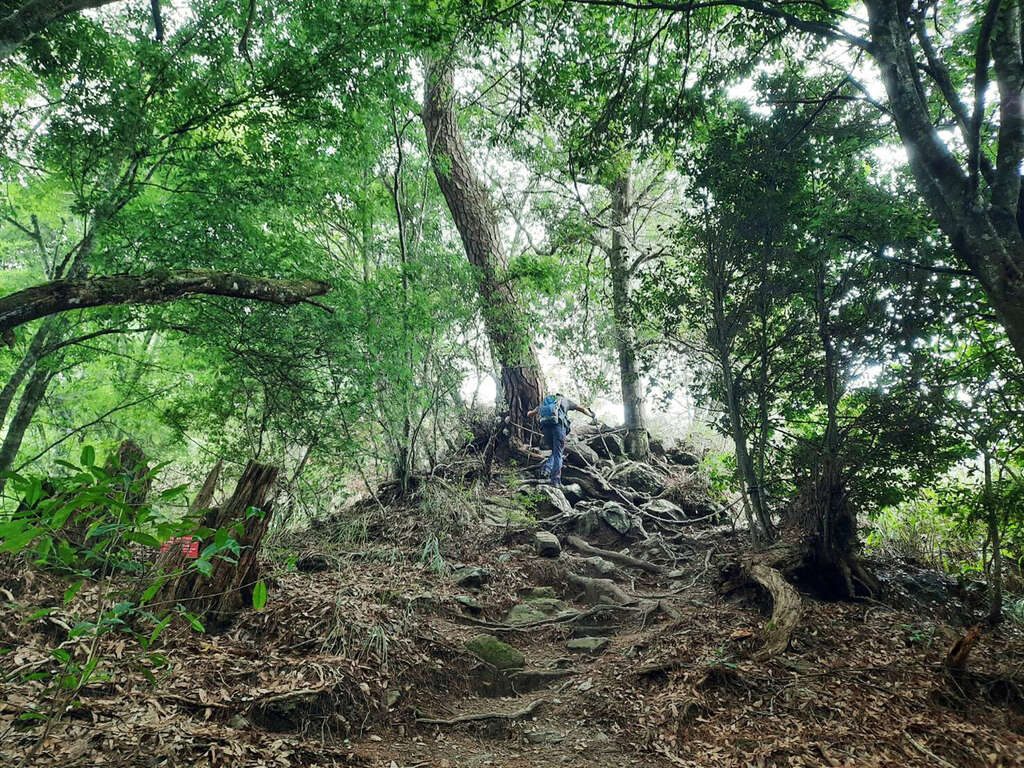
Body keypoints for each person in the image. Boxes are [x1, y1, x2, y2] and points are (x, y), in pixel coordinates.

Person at [527, 393, 595, 487]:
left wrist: (528, 413)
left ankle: (545, 470)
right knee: (558, 453)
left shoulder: (545, 403)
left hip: (545, 429)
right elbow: (582, 409)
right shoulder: (565, 401)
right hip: (558, 427)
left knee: (555, 452)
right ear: (562, 396)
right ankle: (555, 481)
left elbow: (530, 414)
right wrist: (591, 415)